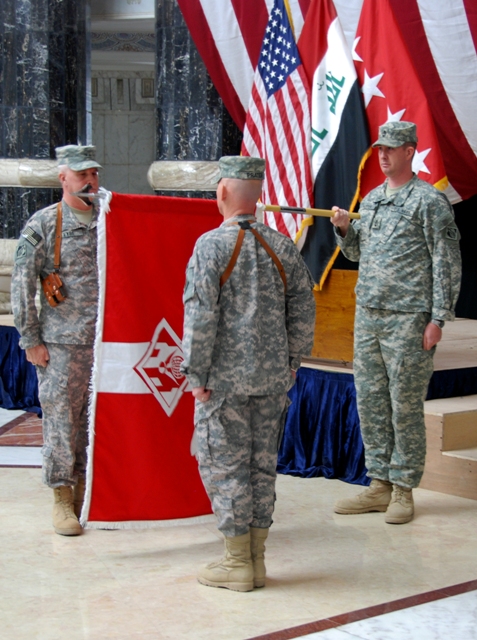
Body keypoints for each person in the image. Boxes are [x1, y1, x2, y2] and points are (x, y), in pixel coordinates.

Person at [180, 156, 316, 591]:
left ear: (222, 192)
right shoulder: (282, 244)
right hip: (274, 381)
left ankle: (236, 562)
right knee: (262, 468)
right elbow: (304, 309)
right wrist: (292, 362)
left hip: (225, 383)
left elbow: (201, 316)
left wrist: (196, 373)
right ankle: (256, 560)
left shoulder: (210, 247)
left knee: (225, 467)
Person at [330, 121, 461, 524]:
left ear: (409, 152)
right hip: (369, 316)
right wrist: (342, 230)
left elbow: (446, 260)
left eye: (391, 148)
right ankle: (379, 484)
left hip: (409, 319)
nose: (382, 155)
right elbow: (356, 254)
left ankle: (404, 489)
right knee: (370, 402)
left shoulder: (428, 202)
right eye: (379, 149)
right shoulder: (371, 201)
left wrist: (438, 317)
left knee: (404, 406)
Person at [11, 145, 102, 536]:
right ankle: (63, 497)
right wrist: (31, 337)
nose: (90, 181)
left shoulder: (110, 220)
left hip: (106, 345)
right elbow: (21, 283)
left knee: (94, 423)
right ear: (62, 178)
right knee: (63, 423)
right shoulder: (44, 224)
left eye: (94, 174)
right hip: (62, 344)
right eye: (82, 175)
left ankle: (89, 492)